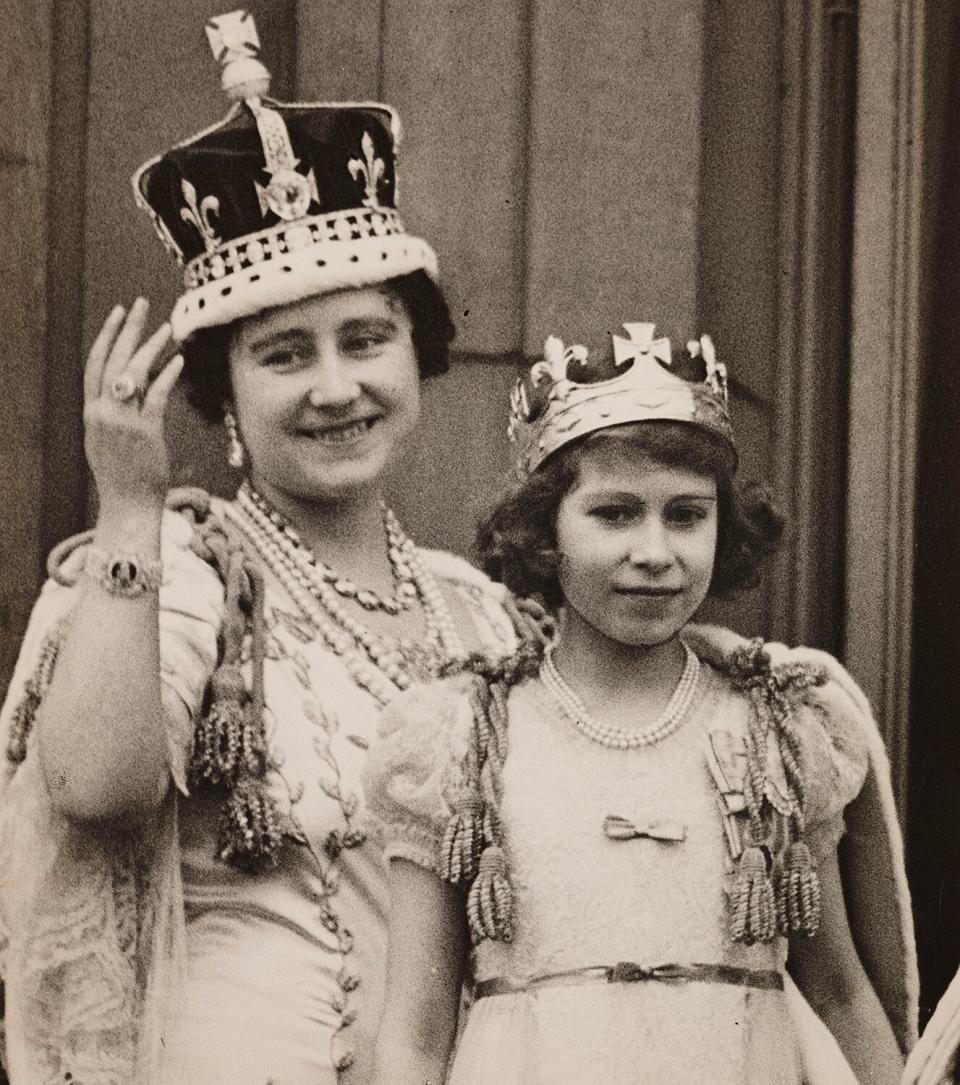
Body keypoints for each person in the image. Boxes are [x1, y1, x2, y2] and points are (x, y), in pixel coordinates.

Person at [0, 11, 523, 1085]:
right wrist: (131, 511)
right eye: (287, 355)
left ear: (417, 362)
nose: (337, 387)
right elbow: (96, 789)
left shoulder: (478, 610)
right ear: (226, 397)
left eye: (367, 340)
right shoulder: (184, 572)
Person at [363, 323, 918, 1084]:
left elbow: (839, 989)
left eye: (686, 514)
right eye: (615, 513)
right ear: (543, 529)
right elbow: (415, 1034)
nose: (655, 552)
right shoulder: (464, 738)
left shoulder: (775, 726)